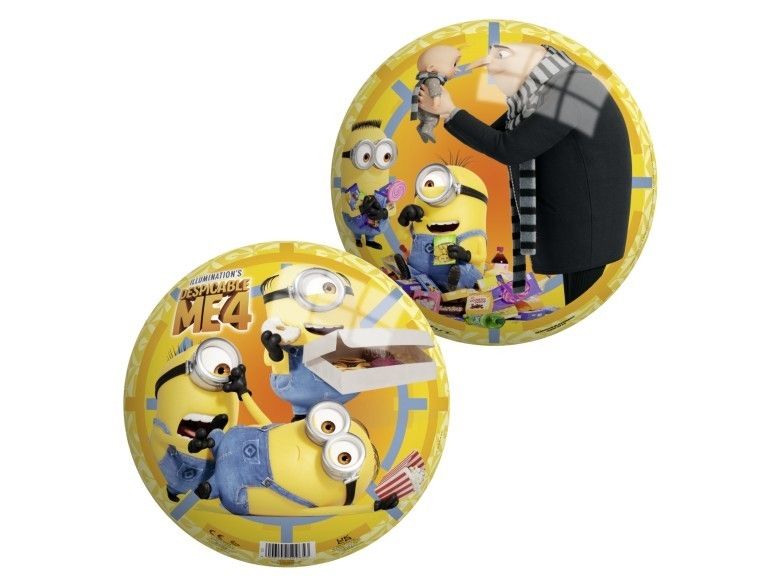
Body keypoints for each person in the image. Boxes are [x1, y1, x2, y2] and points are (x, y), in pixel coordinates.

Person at [418, 43, 632, 304]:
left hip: (586, 227)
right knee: (578, 302)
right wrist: (446, 111)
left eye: (500, 55)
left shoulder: (576, 90)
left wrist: (450, 111)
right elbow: (497, 136)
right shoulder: (544, 93)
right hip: (573, 221)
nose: (487, 64)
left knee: (581, 304)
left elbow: (510, 148)